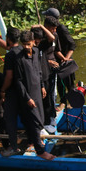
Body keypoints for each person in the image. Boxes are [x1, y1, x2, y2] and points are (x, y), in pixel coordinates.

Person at [13, 30, 54, 160]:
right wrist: (27, 98)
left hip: (37, 91)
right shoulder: (19, 58)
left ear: (33, 42)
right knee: (35, 121)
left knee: (40, 119)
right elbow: (18, 81)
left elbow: (39, 71)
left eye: (29, 44)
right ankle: (40, 151)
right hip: (28, 94)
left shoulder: (36, 53)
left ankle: (34, 140)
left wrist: (42, 86)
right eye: (24, 44)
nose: (26, 47)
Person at [43, 9, 77, 107]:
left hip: (64, 58)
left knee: (69, 82)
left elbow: (72, 45)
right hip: (56, 58)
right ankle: (63, 102)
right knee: (59, 83)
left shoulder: (61, 29)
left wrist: (65, 59)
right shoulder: (48, 30)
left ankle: (72, 102)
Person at [0, 27, 23, 157]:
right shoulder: (22, 51)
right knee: (26, 117)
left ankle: (13, 147)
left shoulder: (10, 55)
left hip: (12, 92)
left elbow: (9, 76)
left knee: (10, 120)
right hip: (23, 91)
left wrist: (3, 89)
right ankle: (32, 143)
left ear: (8, 38)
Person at [31, 24, 58, 132]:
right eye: (35, 41)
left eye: (38, 41)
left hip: (45, 75)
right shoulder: (30, 49)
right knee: (40, 102)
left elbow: (52, 38)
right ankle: (43, 123)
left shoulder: (42, 45)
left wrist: (42, 26)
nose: (36, 43)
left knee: (48, 99)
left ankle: (48, 120)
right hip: (37, 78)